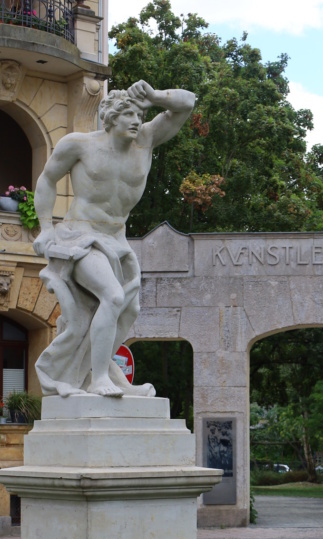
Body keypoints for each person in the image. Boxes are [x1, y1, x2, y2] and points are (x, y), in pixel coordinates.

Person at [31, 81, 195, 397]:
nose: (137, 120)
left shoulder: (145, 141)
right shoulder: (79, 145)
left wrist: (155, 96)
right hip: (78, 238)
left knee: (128, 310)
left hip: (117, 243)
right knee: (113, 296)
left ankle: (98, 369)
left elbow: (187, 104)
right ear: (111, 118)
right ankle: (100, 380)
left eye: (140, 114)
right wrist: (45, 228)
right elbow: (47, 180)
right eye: (130, 114)